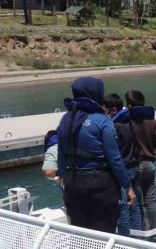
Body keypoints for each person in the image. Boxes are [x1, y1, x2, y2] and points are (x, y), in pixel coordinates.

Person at [57, 77, 135, 233]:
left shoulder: (66, 119)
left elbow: (61, 156)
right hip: (100, 186)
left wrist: (65, 180)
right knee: (104, 231)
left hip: (73, 184)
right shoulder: (102, 121)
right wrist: (127, 187)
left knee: (80, 233)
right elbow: (115, 159)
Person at [104, 93, 142, 237]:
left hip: (122, 170)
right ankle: (139, 238)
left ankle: (125, 242)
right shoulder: (131, 122)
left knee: (123, 207)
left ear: (113, 109)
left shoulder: (114, 125)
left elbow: (113, 153)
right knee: (136, 205)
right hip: (134, 166)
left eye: (104, 109)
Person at [125, 90, 156, 234]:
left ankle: (140, 231)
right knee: (150, 199)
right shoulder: (153, 122)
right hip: (149, 164)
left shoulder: (127, 122)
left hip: (134, 164)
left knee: (136, 200)